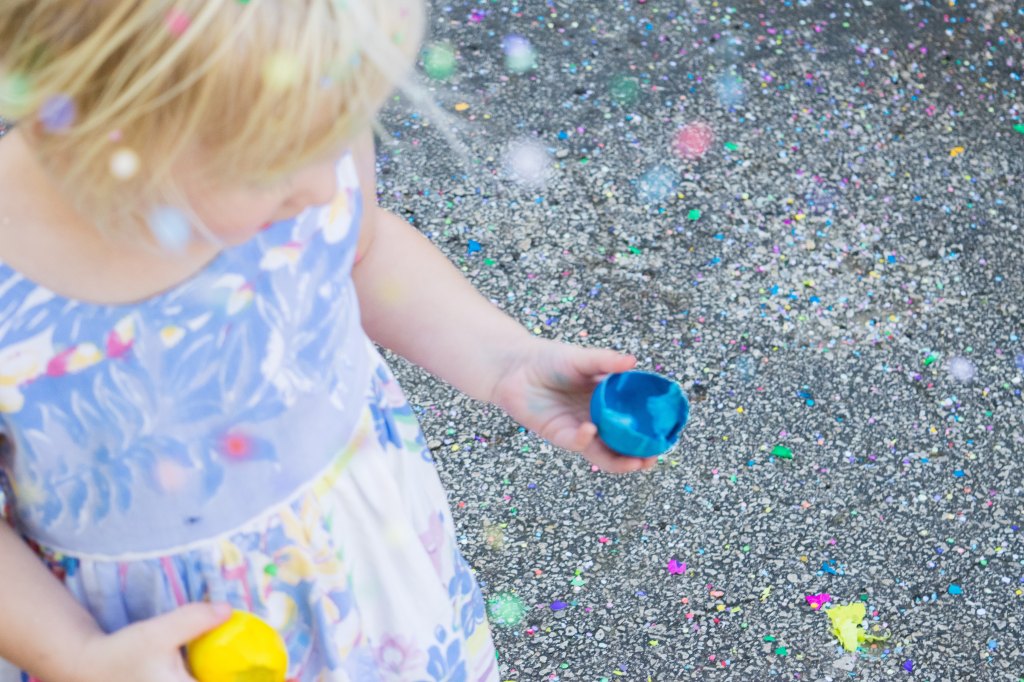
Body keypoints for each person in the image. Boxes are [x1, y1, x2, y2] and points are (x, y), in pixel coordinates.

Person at [0, 1, 654, 680]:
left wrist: (504, 361)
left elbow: (357, 250)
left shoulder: (304, 129)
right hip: (146, 645)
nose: (320, 187)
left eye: (340, 136)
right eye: (273, 165)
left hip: (367, 581)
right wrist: (75, 654)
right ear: (112, 117)